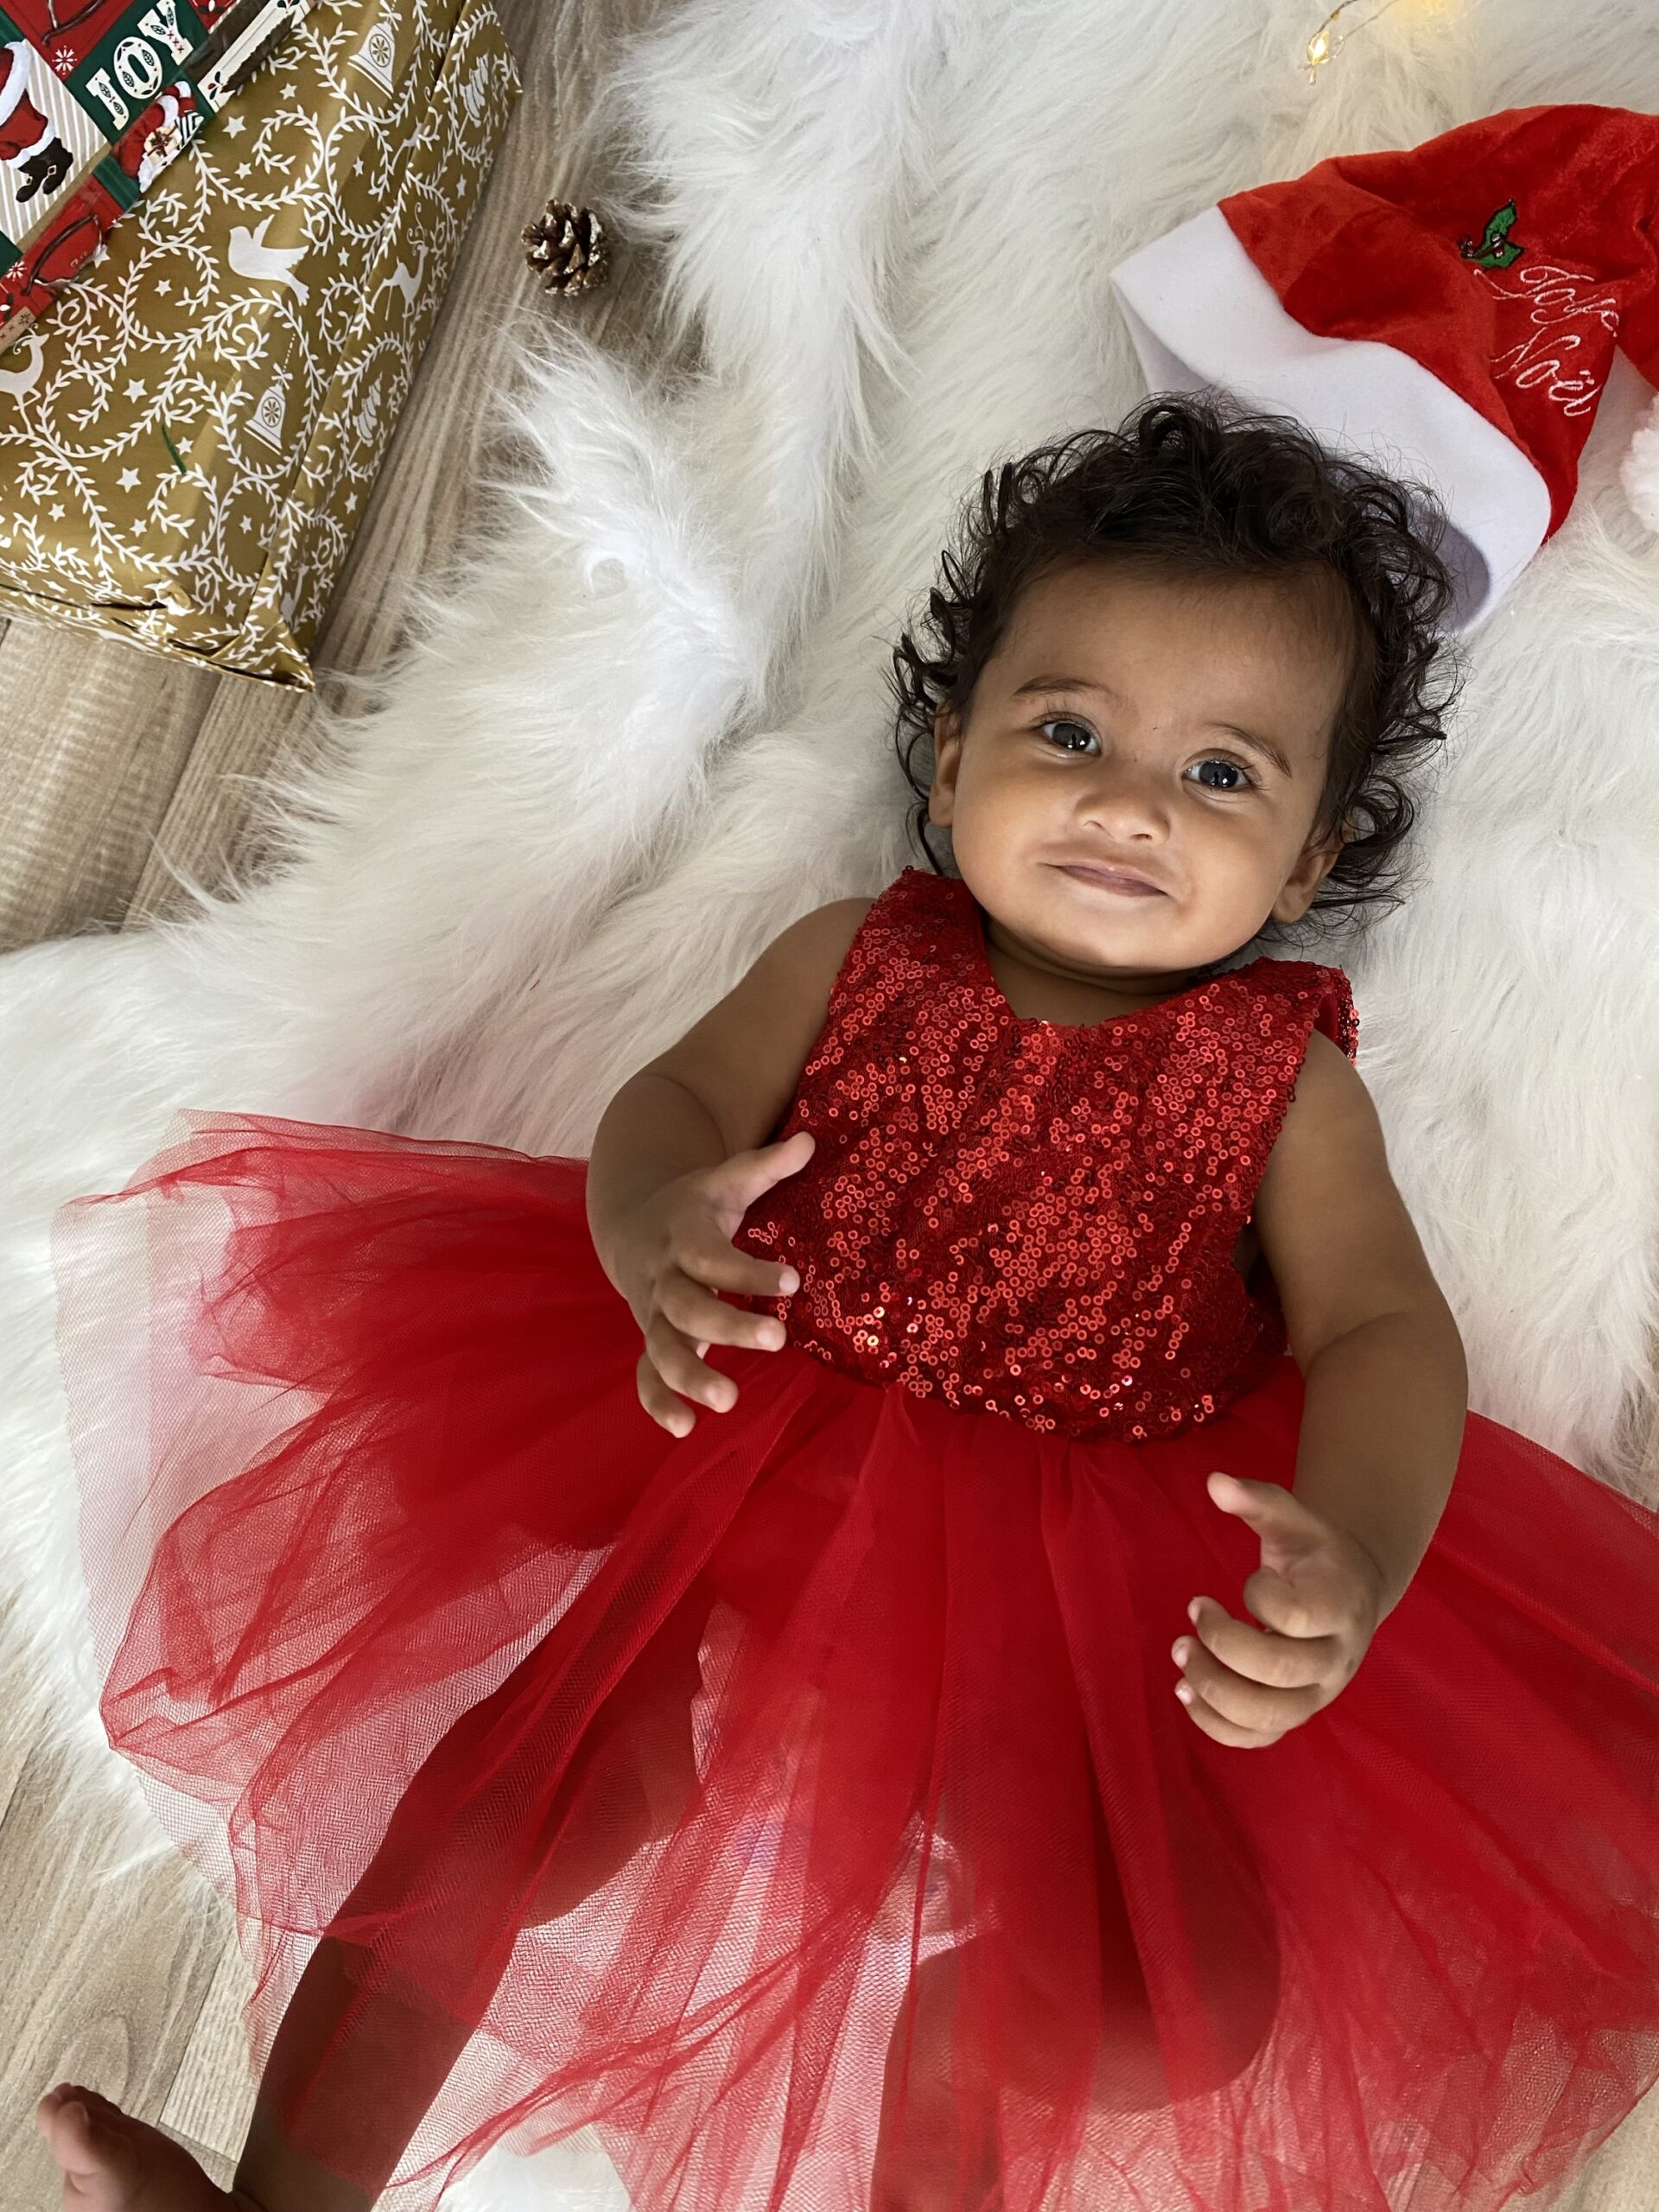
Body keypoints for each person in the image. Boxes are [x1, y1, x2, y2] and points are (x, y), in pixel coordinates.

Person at [37, 394, 1659, 2212]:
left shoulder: (1287, 1082)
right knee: (505, 1800)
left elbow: (1380, 1328)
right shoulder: (860, 951)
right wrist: (654, 1220)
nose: (1130, 802)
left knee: (1187, 2007)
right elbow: (674, 1099)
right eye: (1070, 731)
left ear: (1305, 861)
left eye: (1222, 774)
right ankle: (282, 2191)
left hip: (1077, 1574)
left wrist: (1353, 1548)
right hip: (748, 1451)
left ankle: (971, 2035)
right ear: (952, 761)